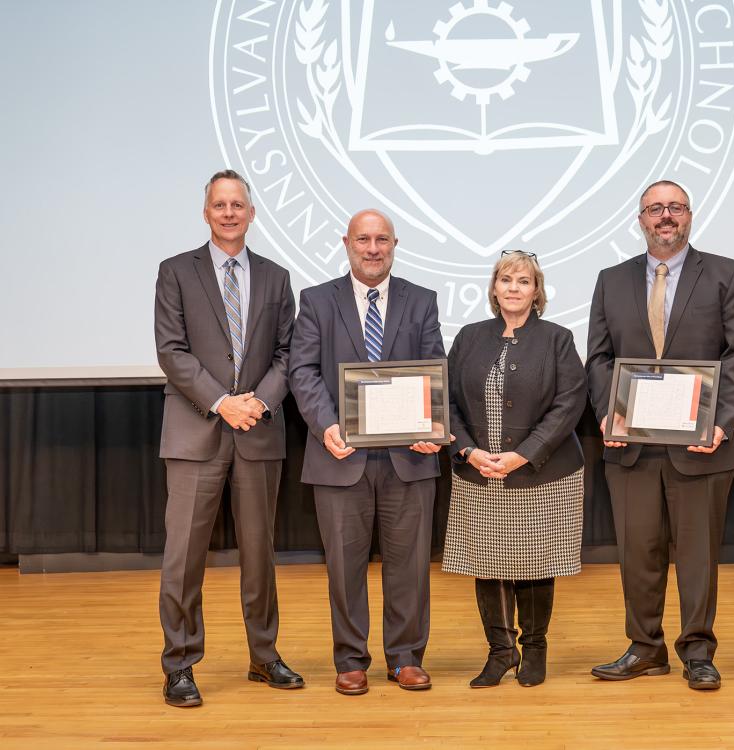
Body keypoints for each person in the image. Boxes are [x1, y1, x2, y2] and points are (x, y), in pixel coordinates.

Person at [586, 180, 734, 690]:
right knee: (637, 552)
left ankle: (698, 651)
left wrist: (720, 422)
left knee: (698, 555)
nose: (666, 216)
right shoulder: (610, 279)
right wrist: (606, 413)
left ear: (689, 216)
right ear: (640, 219)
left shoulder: (728, 274)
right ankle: (645, 648)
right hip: (631, 444)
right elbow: (598, 357)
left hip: (701, 445)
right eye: (655, 209)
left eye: (675, 208)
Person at [154, 169, 302, 708]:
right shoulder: (175, 272)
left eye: (238, 204)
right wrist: (224, 402)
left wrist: (257, 402)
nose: (230, 212)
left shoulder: (276, 277)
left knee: (260, 555)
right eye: (220, 204)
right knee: (183, 558)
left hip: (258, 433)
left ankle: (264, 656)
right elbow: (171, 350)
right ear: (206, 212)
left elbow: (289, 353)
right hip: (197, 431)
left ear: (252, 212)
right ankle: (179, 664)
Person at [288, 209, 445, 696]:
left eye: (381, 240)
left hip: (410, 456)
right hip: (339, 455)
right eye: (363, 239)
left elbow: (433, 367)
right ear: (346, 243)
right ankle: (350, 659)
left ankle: (405, 657)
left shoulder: (421, 300)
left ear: (394, 244)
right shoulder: (316, 300)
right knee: (344, 566)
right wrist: (326, 425)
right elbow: (302, 371)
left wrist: (433, 425)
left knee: (411, 565)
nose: (372, 248)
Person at [443, 250, 587, 688]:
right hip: (479, 470)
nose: (513, 287)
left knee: (535, 562)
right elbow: (443, 400)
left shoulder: (558, 339)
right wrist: (468, 452)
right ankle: (501, 651)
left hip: (541, 472)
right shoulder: (469, 336)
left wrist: (522, 454)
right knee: (488, 564)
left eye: (523, 281)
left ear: (536, 291)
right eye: (506, 279)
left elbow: (570, 404)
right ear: (493, 288)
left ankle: (535, 649)